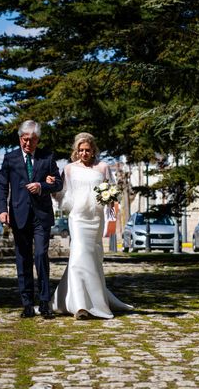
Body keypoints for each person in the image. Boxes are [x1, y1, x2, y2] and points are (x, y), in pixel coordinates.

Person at [49, 132, 133, 319]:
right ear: (76, 151)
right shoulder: (69, 169)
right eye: (80, 150)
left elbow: (112, 196)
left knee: (93, 259)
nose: (84, 153)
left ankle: (94, 300)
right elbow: (61, 193)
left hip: (96, 219)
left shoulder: (103, 168)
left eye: (87, 150)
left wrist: (111, 222)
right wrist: (52, 192)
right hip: (77, 218)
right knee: (78, 256)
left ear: (93, 150)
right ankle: (79, 306)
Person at [0, 120, 63, 319]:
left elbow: (58, 183)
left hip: (41, 216)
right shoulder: (10, 158)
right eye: (25, 140)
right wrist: (2, 210)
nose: (28, 144)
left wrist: (42, 186)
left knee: (41, 256)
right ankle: (27, 303)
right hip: (19, 215)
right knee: (23, 258)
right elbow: (2, 186)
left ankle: (44, 302)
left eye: (32, 140)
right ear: (20, 139)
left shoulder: (47, 157)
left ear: (38, 140)